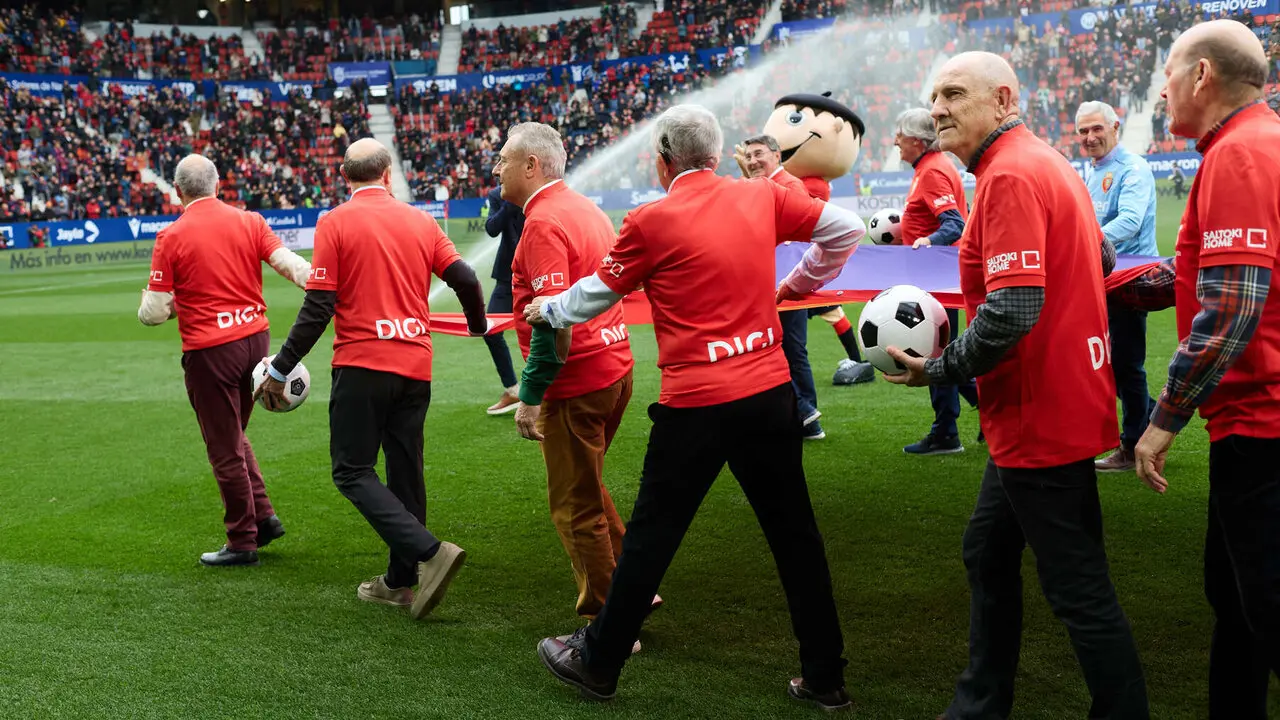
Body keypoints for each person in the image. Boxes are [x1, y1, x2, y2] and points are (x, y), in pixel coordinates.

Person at [527, 105, 866, 711]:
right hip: (768, 394)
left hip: (697, 405)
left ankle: (598, 663)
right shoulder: (762, 197)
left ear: (663, 160)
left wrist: (545, 311)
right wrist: (797, 287)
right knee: (796, 538)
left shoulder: (650, 219)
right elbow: (846, 228)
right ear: (715, 154)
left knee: (652, 540)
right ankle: (825, 676)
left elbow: (591, 299)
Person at [883, 53, 1149, 719]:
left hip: (1040, 413)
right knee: (988, 552)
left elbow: (1013, 310)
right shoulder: (1049, 161)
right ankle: (978, 706)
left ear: (1004, 99)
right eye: (934, 94)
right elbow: (1103, 253)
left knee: (1078, 588)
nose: (938, 107)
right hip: (1053, 404)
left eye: (953, 93)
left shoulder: (1010, 176)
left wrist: (936, 369)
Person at [1109, 20, 1280, 717]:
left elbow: (1230, 310)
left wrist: (1160, 421)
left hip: (1263, 428)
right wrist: (1096, 286)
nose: (1164, 90)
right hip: (1253, 424)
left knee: (1264, 605)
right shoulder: (1248, 146)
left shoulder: (1241, 155)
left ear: (1202, 76)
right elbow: (1192, 276)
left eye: (1170, 73)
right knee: (1234, 599)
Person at [255, 138, 488, 620]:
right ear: (388, 175)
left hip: (363, 365)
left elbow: (319, 305)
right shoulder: (422, 220)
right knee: (406, 470)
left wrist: (279, 367)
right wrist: (478, 323)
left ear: (346, 177)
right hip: (415, 365)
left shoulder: (335, 221)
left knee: (351, 470)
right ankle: (401, 583)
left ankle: (429, 552)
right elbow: (465, 278)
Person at [496, 122, 659, 626]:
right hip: (615, 367)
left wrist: (530, 395)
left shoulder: (544, 223)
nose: (496, 168)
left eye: (504, 159)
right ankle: (635, 590)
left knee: (574, 506)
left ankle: (609, 624)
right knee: (588, 489)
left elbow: (554, 321)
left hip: (578, 380)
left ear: (532, 165)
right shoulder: (586, 208)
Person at [138, 154, 311, 567]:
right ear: (219, 185)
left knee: (224, 447)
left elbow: (153, 313)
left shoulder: (171, 237)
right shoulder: (249, 221)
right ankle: (264, 517)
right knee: (234, 433)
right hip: (255, 342)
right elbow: (289, 264)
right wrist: (323, 282)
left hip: (210, 351)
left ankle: (242, 540)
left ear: (177, 192)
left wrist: (180, 304)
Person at [735, 133, 876, 388]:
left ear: (777, 155)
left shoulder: (788, 186)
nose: (752, 161)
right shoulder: (769, 185)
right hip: (775, 281)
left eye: (758, 154)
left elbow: (789, 238)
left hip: (789, 281)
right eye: (748, 156)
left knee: (792, 348)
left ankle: (807, 412)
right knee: (782, 346)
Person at [1076, 100, 1159, 473]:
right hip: (1100, 279)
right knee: (1109, 363)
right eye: (1083, 131)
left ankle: (1132, 446)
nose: (1090, 137)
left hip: (1129, 279)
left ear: (1115, 127)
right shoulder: (1092, 170)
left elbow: (1129, 221)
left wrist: (1081, 242)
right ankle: (1149, 416)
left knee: (1126, 364)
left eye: (1096, 129)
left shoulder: (1132, 168)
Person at [894, 107, 980, 455]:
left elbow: (954, 223)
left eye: (900, 134)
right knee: (941, 352)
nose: (895, 141)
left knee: (934, 353)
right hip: (935, 277)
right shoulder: (928, 168)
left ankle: (946, 433)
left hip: (937, 277)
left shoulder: (931, 171)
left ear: (917, 140)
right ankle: (986, 412)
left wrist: (928, 241)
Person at [481, 182, 525, 415]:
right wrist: (510, 200)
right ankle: (513, 389)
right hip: (507, 275)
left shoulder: (538, 191)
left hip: (539, 272)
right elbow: (492, 228)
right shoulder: (497, 195)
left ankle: (557, 389)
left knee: (551, 327)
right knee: (491, 330)